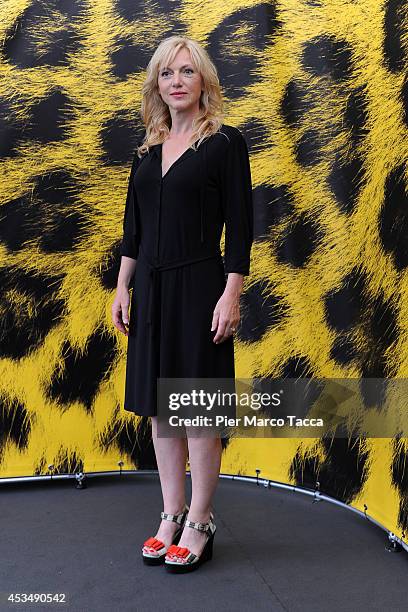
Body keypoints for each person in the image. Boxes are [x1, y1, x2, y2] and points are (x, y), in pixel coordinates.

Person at [112, 35, 253, 573]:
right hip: (149, 288)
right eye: (167, 73)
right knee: (159, 413)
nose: (176, 81)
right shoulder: (145, 152)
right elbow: (134, 230)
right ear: (157, 84)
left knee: (195, 413)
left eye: (187, 72)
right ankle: (170, 514)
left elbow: (240, 227)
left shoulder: (225, 144)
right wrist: (122, 287)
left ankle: (200, 519)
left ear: (203, 84)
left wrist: (230, 294)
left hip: (199, 287)